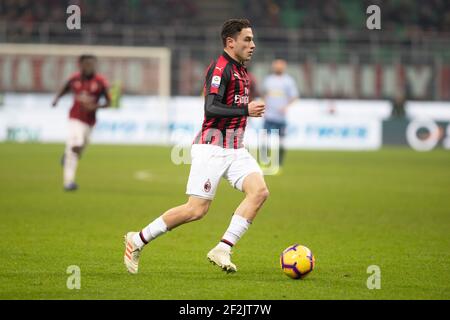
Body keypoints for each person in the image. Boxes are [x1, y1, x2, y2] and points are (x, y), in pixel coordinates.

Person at [124, 19, 269, 274]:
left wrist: (245, 112)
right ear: (230, 42)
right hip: (211, 146)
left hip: (236, 148)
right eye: (247, 39)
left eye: (253, 39)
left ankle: (223, 247)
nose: (252, 45)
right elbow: (210, 107)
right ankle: (137, 239)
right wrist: (245, 109)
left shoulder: (242, 70)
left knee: (259, 192)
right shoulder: (220, 68)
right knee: (196, 210)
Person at [52, 55, 111, 191]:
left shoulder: (100, 82)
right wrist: (56, 99)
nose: (89, 67)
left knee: (81, 147)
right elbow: (65, 89)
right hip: (75, 118)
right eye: (86, 64)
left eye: (91, 64)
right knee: (75, 145)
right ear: (80, 65)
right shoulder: (74, 79)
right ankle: (68, 182)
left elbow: (108, 102)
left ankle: (68, 156)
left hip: (90, 121)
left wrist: (95, 107)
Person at [262, 59, 298, 169]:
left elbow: (294, 96)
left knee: (281, 141)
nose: (278, 68)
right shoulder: (268, 80)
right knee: (264, 139)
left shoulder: (288, 81)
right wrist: (263, 105)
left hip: (281, 117)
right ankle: (265, 161)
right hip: (269, 115)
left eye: (280, 66)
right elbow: (264, 95)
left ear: (284, 67)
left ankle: (279, 163)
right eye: (276, 66)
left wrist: (286, 107)